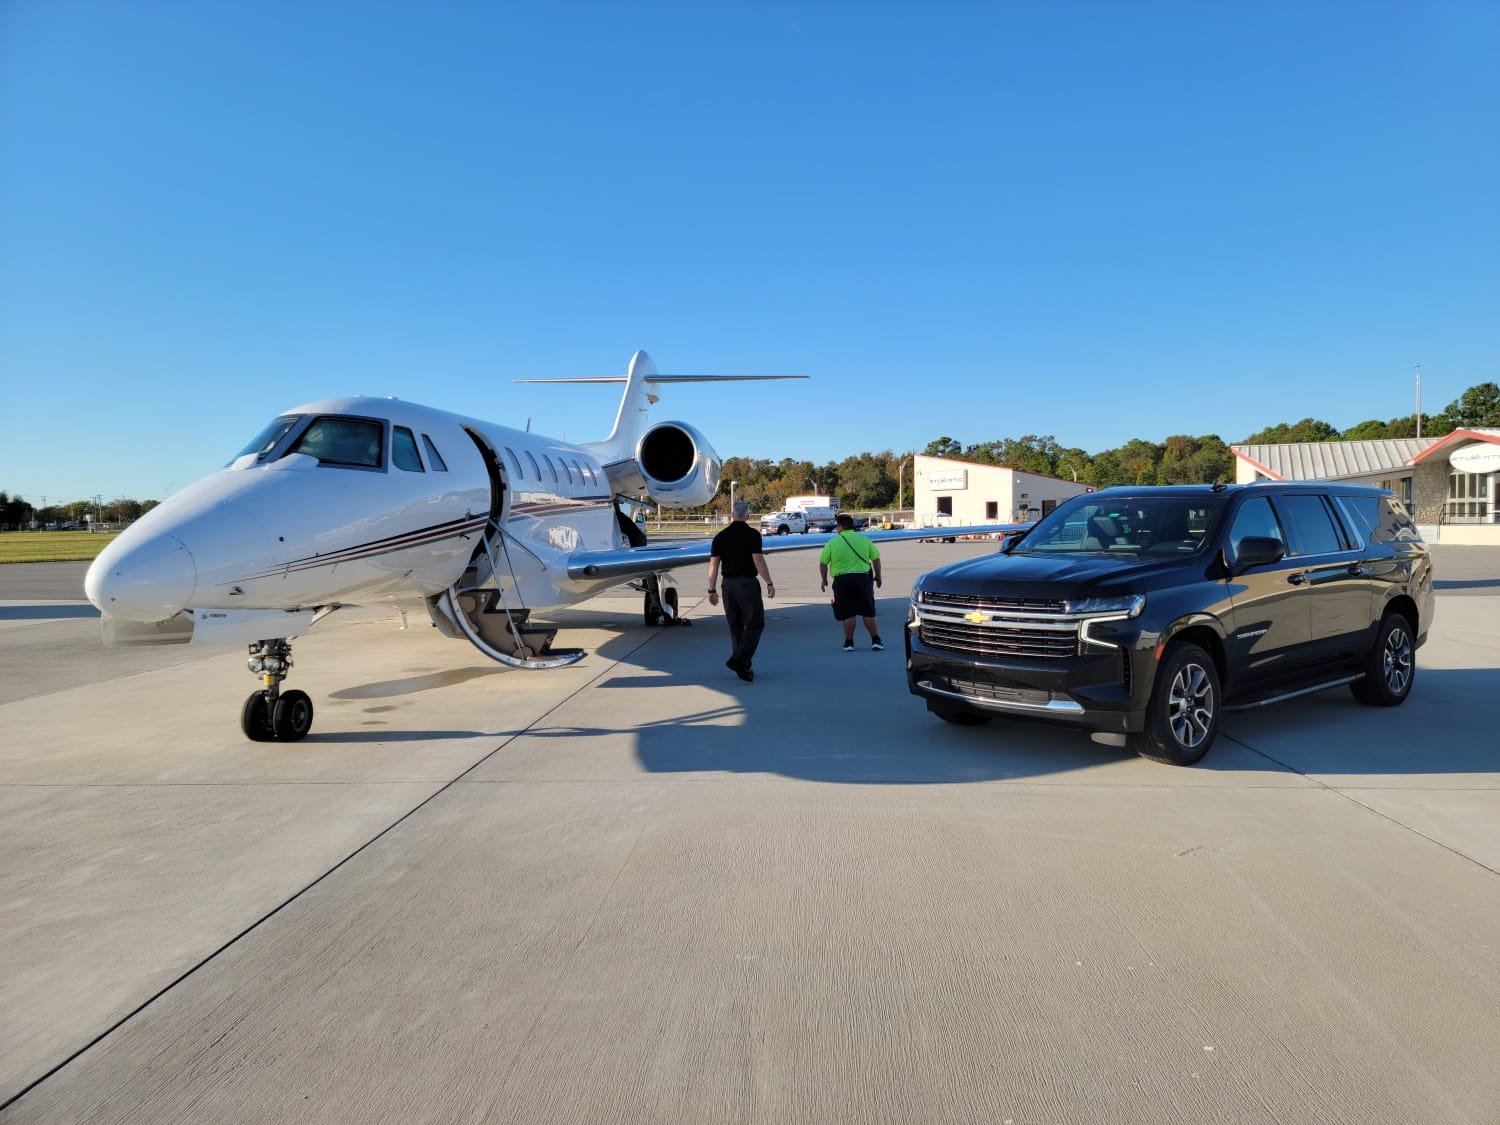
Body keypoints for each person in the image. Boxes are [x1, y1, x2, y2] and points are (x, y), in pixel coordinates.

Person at [706, 500, 776, 682]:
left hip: (728, 585)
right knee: (755, 623)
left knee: (735, 625)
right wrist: (768, 582)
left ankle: (743, 667)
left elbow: (713, 564)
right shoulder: (752, 535)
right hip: (747, 584)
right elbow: (758, 560)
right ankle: (738, 660)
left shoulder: (720, 537)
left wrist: (711, 589)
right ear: (747, 515)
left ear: (732, 514)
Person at [819, 513, 883, 651]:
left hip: (842, 580)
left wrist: (824, 579)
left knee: (848, 613)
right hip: (862, 578)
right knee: (868, 612)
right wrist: (878, 576)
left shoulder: (832, 543)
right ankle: (876, 640)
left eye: (837, 526)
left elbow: (823, 563)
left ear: (840, 526)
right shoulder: (864, 540)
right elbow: (876, 559)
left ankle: (849, 642)